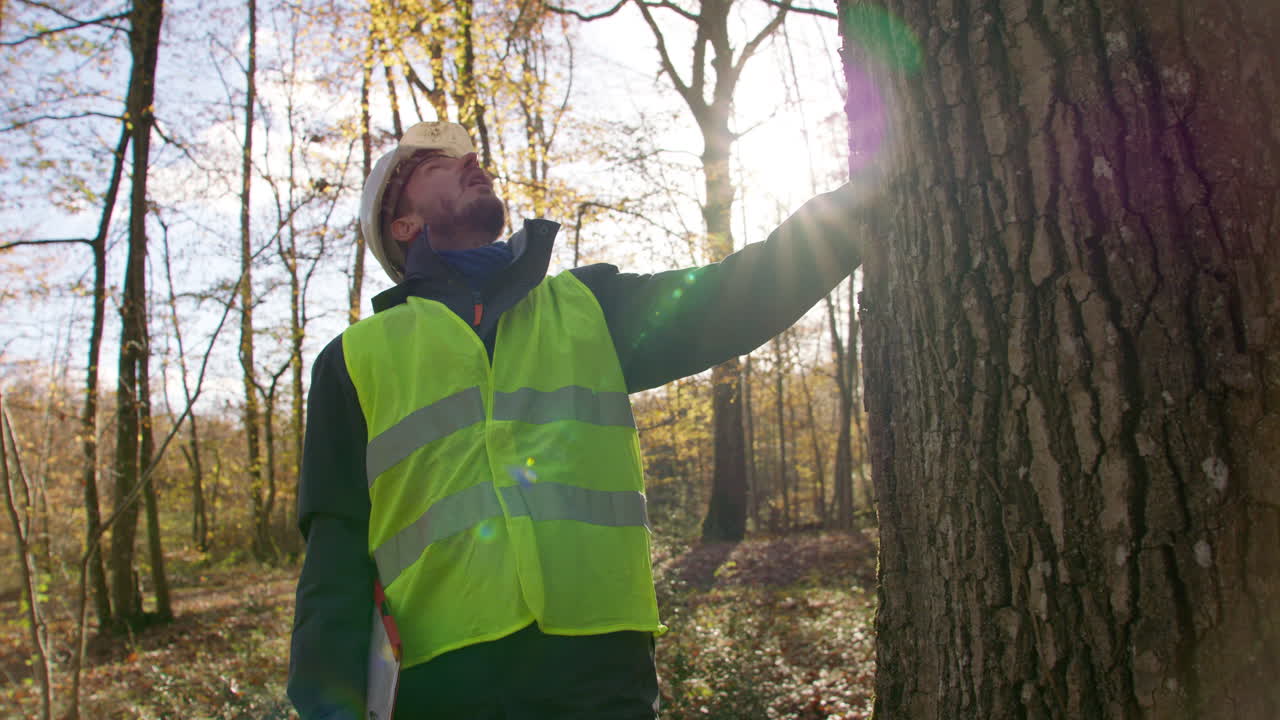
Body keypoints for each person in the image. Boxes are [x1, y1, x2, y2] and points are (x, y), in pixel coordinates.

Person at [288, 120, 862, 719]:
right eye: (437, 163)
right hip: (443, 683)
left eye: (471, 155)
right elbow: (335, 556)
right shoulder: (351, 361)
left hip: (601, 673)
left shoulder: (588, 306)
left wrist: (858, 209)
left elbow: (740, 295)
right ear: (402, 225)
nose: (471, 161)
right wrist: (329, 706)